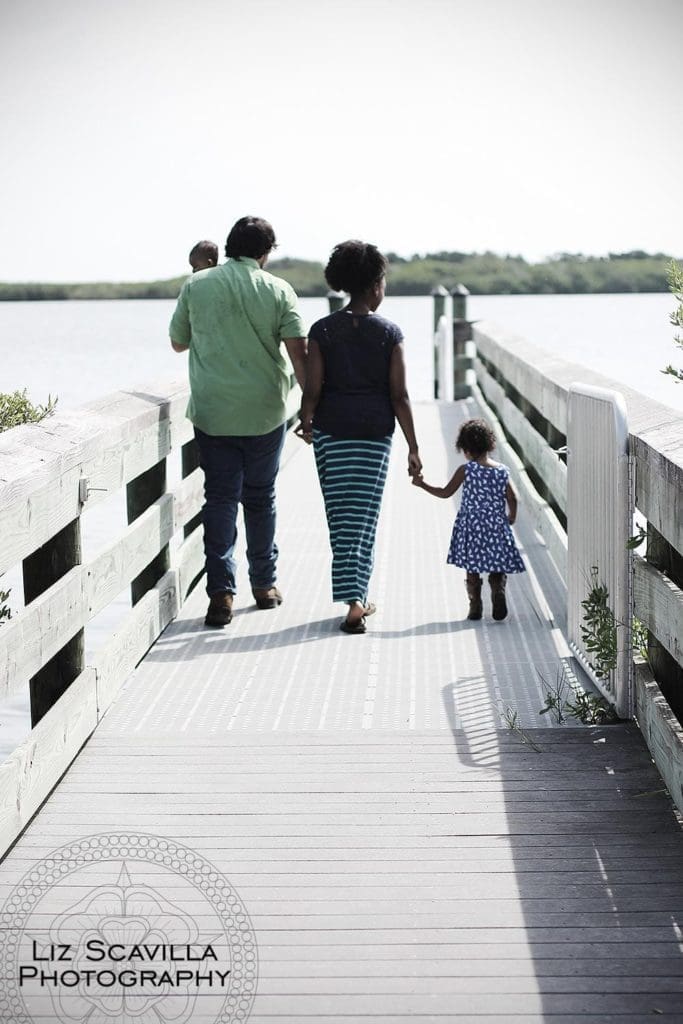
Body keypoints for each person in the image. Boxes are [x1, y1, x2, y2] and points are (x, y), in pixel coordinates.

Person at [170, 216, 307, 627]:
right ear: (265, 252)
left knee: (220, 499)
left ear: (229, 247)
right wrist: (314, 409)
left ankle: (221, 595)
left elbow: (178, 343)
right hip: (265, 413)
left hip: (213, 413)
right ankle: (264, 586)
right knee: (261, 497)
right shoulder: (279, 289)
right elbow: (300, 355)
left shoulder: (197, 284)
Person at [298, 240, 422, 634]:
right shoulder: (389, 333)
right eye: (382, 282)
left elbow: (313, 389)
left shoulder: (322, 330)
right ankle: (357, 600)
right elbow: (399, 395)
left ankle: (354, 598)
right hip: (374, 433)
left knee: (340, 518)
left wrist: (306, 419)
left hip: (332, 433)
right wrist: (414, 447)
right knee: (363, 518)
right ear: (373, 286)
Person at [412, 417, 525, 620]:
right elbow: (513, 497)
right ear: (489, 444)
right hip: (496, 526)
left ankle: (475, 605)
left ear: (466, 449)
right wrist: (511, 517)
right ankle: (497, 590)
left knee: (472, 567)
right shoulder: (501, 471)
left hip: (471, 527)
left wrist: (423, 484)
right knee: (497, 564)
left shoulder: (466, 470)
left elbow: (445, 492)